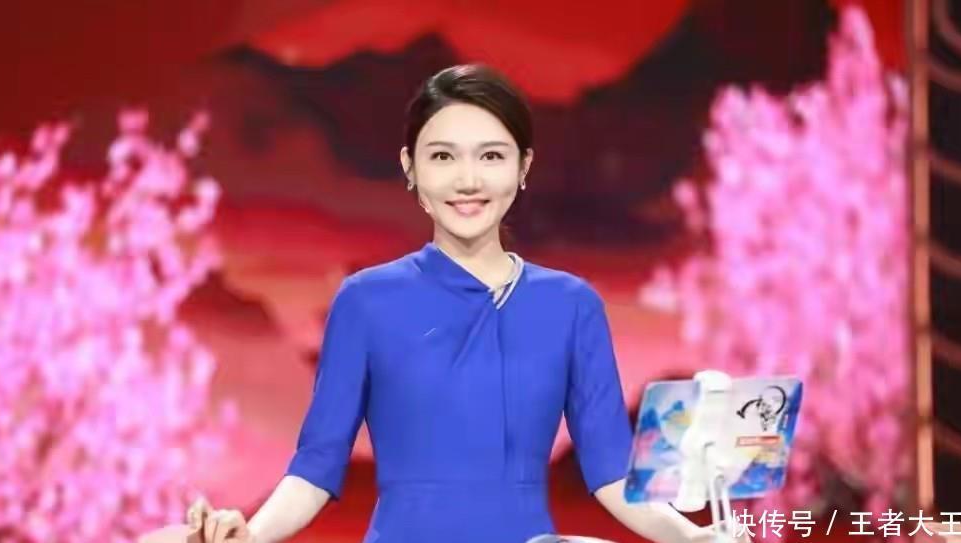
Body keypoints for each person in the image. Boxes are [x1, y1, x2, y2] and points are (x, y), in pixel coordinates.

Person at [185, 64, 727, 543]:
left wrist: (691, 537)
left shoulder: (571, 306)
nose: (468, 180)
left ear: (523, 167)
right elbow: (316, 467)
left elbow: (610, 472)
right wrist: (251, 533)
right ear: (411, 167)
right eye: (443, 156)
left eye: (491, 156)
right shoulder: (366, 301)